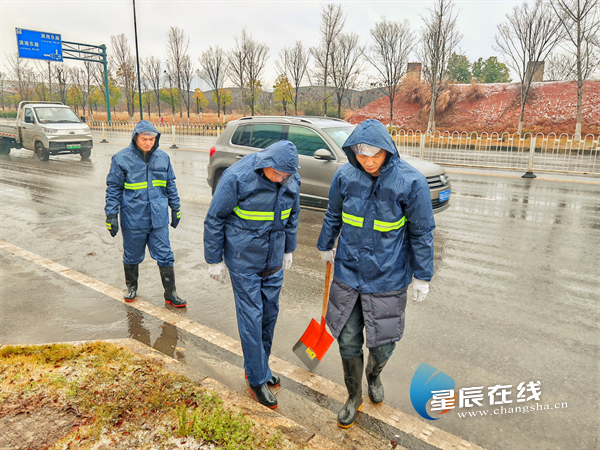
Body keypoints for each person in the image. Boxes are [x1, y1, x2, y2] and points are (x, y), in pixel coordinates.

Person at [316, 119, 435, 428]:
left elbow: (421, 232)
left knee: (383, 345)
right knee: (347, 341)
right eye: (361, 154)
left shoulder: (411, 182)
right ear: (353, 152)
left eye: (375, 155)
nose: (368, 162)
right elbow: (333, 213)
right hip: (348, 273)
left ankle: (374, 375)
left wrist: (423, 276)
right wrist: (325, 244)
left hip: (388, 277)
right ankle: (353, 395)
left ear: (387, 151)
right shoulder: (344, 176)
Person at [204, 140, 300, 409]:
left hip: (273, 259)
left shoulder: (291, 177)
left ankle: (261, 367)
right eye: (277, 174)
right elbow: (215, 218)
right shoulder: (236, 177)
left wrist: (288, 249)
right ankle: (256, 379)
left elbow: (292, 215)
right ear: (266, 163)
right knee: (252, 318)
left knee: (269, 315)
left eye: (286, 175)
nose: (280, 179)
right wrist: (214, 259)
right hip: (243, 259)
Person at [105, 120, 186, 308]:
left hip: (158, 218)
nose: (148, 142)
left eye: (152, 139)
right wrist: (111, 215)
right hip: (133, 217)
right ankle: (131, 287)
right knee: (132, 255)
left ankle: (170, 293)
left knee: (165, 255)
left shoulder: (163, 158)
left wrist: (175, 208)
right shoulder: (121, 159)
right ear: (135, 137)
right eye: (144, 139)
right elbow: (114, 189)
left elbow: (170, 185)